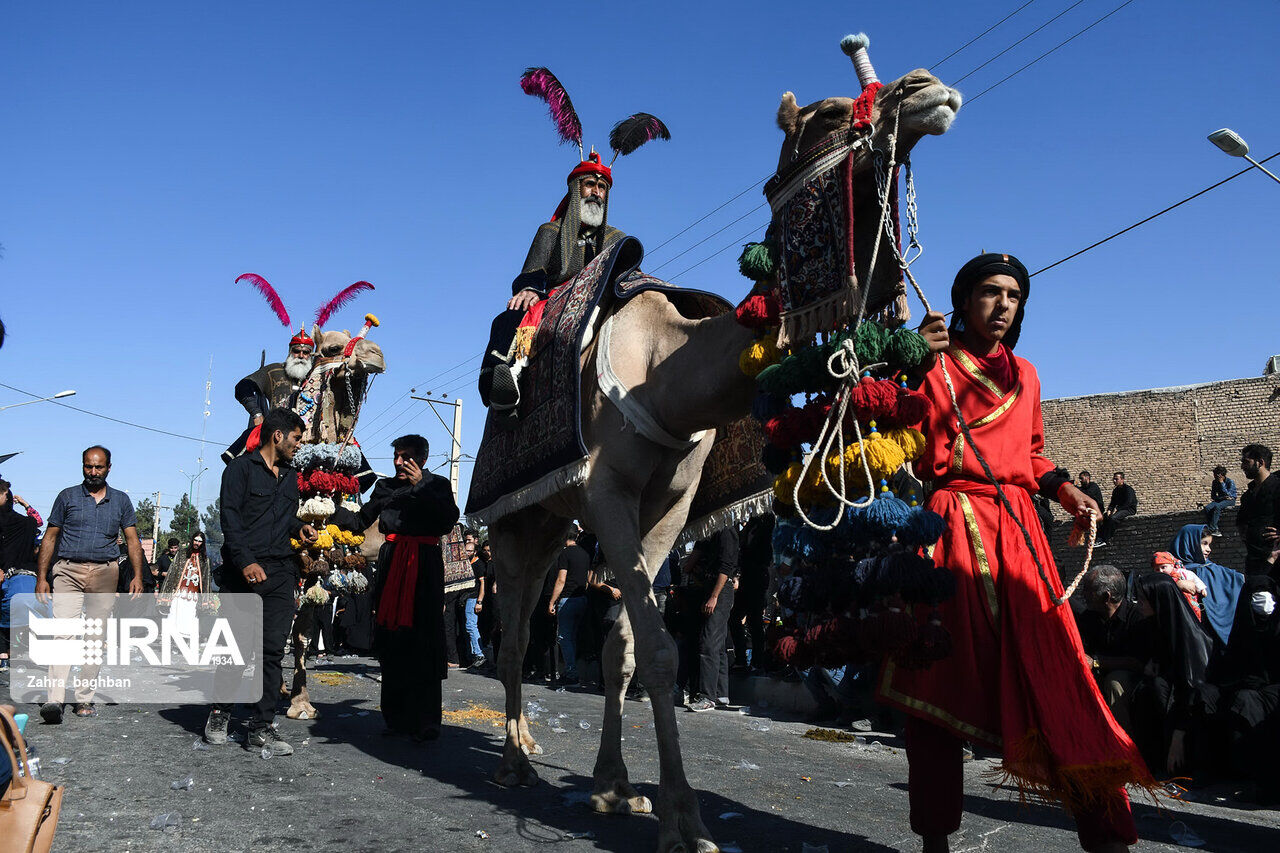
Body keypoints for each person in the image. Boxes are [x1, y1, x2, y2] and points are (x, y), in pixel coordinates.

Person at [878, 252, 1150, 853]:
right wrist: (909, 360)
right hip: (952, 530)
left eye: (1014, 296)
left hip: (1022, 535)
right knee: (937, 684)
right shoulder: (935, 364)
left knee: (1063, 678)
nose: (1002, 305)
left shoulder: (1027, 374)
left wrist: (1066, 487)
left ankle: (1107, 836)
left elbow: (1030, 455)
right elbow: (903, 441)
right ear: (964, 299)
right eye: (989, 292)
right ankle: (934, 839)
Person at [204, 409, 318, 755]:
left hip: (281, 572)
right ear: (277, 436)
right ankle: (221, 712)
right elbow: (230, 519)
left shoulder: (291, 477)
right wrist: (246, 561)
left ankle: (261, 727)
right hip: (244, 573)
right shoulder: (239, 470)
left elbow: (282, 519)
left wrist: (299, 528)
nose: (300, 445)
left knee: (271, 651)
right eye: (297, 438)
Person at [357, 434, 459, 740]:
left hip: (424, 565)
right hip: (391, 563)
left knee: (424, 639)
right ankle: (395, 717)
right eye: (397, 456)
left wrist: (419, 488)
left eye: (406, 457)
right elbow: (363, 517)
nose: (399, 462)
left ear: (422, 460)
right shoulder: (386, 486)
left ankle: (427, 719)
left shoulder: (437, 485)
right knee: (393, 638)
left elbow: (447, 520)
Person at [35, 446, 146, 723]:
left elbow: (132, 540)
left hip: (105, 573)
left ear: (109, 467)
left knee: (95, 638)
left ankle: (84, 698)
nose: (93, 472)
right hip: (68, 571)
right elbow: (49, 537)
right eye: (88, 467)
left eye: (98, 467)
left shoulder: (121, 501)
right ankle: (55, 700)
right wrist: (41, 577)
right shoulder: (67, 496)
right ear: (82, 466)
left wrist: (137, 576)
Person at [1129, 573, 1213, 778]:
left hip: (1190, 711)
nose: (1139, 604)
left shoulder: (1190, 638)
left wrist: (1177, 738)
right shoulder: (1156, 626)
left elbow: (1192, 689)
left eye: (1143, 599)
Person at [1215, 576, 1280, 804]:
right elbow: (1232, 670)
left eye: (1268, 594)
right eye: (1257, 595)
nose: (1264, 601)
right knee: (1244, 703)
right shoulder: (1244, 629)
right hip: (1247, 690)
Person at [1075, 565, 1151, 733]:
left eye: (1088, 591)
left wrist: (1096, 662)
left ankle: (1122, 744)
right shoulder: (1089, 618)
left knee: (1115, 682)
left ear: (1106, 596)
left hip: (1128, 676)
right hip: (1096, 672)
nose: (1084, 596)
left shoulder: (1136, 618)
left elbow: (1137, 662)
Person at [684, 528, 738, 713]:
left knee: (709, 642)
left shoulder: (726, 532)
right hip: (711, 587)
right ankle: (721, 694)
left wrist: (714, 596)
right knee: (718, 643)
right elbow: (689, 566)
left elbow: (726, 567)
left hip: (720, 590)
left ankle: (707, 697)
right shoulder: (709, 534)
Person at [1167, 524, 1244, 648]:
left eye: (1209, 544)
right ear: (1189, 543)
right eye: (1204, 543)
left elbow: (1245, 581)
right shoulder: (1169, 570)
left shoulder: (1213, 570)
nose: (1209, 549)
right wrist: (1176, 584)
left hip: (1215, 639)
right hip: (1186, 637)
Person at [0, 481, 40, 668]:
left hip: (18, 573)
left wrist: (25, 505)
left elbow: (37, 522)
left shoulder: (21, 523)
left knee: (21, 601)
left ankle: (8, 651)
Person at [731, 514, 774, 672]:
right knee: (737, 618)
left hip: (756, 578)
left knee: (754, 621)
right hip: (748, 578)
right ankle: (742, 658)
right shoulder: (750, 528)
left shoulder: (764, 528)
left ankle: (756, 661)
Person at [548, 530, 591, 686]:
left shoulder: (565, 554)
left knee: (564, 637)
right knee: (574, 637)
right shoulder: (584, 554)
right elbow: (587, 579)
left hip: (568, 599)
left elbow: (561, 579)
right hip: (582, 598)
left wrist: (552, 601)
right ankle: (573, 670)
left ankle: (571, 673)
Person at [1236, 443, 1280, 577]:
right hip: (1255, 560)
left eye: (1246, 462)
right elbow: (1242, 522)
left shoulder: (1277, 487)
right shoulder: (1248, 496)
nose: (1242, 466)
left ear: (1260, 462)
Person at [1096, 472, 1137, 547]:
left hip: (1129, 509)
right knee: (1103, 518)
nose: (1114, 481)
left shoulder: (1128, 490)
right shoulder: (1116, 491)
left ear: (1122, 480)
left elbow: (1128, 503)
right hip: (1120, 509)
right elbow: (1113, 503)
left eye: (1116, 479)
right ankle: (1099, 538)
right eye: (1113, 479)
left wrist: (1117, 509)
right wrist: (1109, 510)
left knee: (1113, 518)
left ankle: (1106, 539)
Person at [466, 531, 488, 668]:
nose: (467, 553)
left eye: (470, 551)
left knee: (471, 625)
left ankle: (479, 654)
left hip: (473, 598)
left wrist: (479, 601)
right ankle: (476, 654)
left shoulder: (478, 564)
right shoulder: (468, 563)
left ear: (474, 551)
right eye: (466, 551)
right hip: (468, 597)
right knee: (469, 626)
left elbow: (483, 584)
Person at [1203, 465, 1237, 537]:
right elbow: (1213, 495)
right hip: (1221, 499)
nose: (1215, 477)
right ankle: (1213, 527)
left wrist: (1222, 483)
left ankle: (1213, 529)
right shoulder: (1215, 482)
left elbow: (1229, 495)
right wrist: (1220, 498)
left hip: (1230, 500)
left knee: (1217, 507)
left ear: (1221, 475)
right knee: (1207, 508)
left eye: (1216, 475)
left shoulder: (1230, 482)